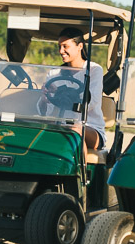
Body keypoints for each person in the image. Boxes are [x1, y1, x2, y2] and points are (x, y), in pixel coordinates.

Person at [37, 27, 106, 157]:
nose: (60, 51)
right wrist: (44, 99)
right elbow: (47, 112)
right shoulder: (53, 73)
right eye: (59, 46)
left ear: (79, 46)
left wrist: (61, 95)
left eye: (65, 46)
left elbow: (92, 101)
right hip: (61, 125)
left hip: (90, 127)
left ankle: (79, 175)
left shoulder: (94, 70)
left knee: (75, 131)